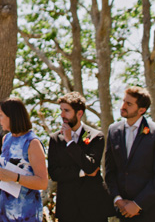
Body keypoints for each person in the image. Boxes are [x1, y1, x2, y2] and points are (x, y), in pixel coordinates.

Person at [104, 86, 155, 222]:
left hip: (154, 213)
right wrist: (118, 199)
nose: (123, 106)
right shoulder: (113, 130)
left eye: (129, 104)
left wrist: (137, 204)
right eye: (124, 101)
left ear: (141, 110)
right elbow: (110, 170)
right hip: (125, 213)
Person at [48, 92, 114, 222]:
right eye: (61, 110)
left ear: (79, 113)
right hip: (67, 208)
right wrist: (82, 172)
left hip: (93, 207)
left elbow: (91, 165)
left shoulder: (96, 136)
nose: (62, 115)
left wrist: (70, 142)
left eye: (66, 111)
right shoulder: (55, 139)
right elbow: (54, 173)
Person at [0, 98, 48, 222]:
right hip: (5, 208)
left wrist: (15, 177)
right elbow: (9, 170)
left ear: (12, 117)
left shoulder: (32, 143)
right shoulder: (6, 139)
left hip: (26, 212)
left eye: (1, 115)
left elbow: (43, 183)